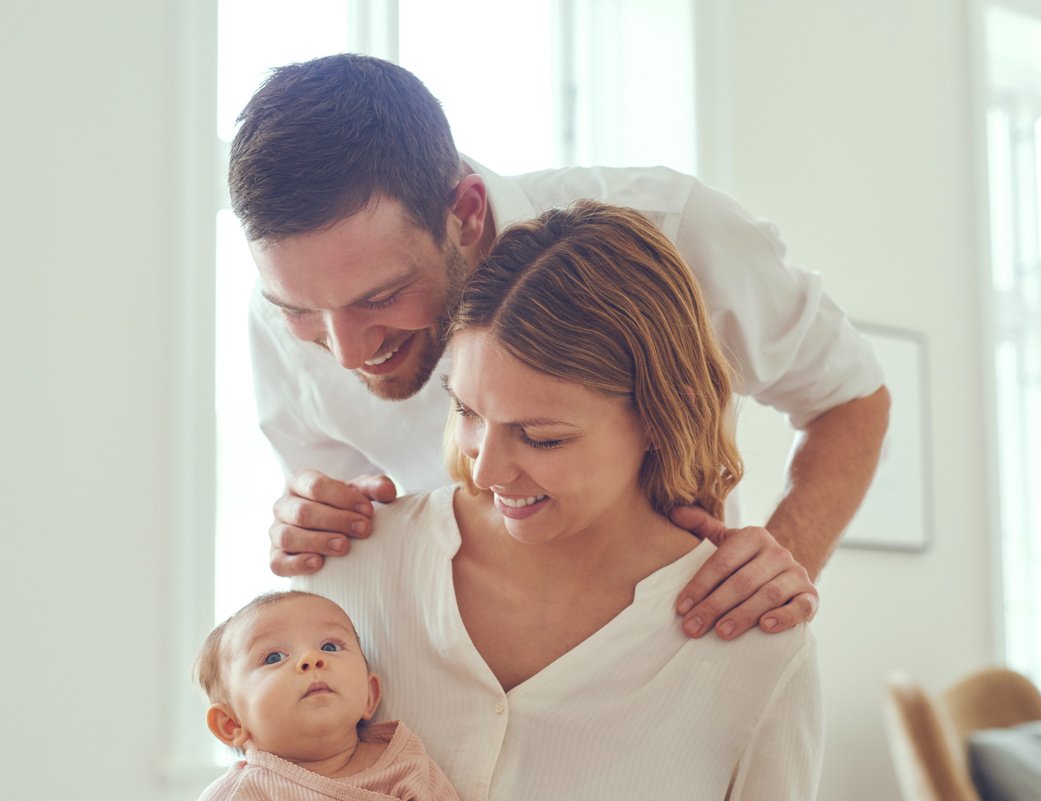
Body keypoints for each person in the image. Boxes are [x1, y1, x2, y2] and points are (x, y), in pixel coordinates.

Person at [215, 203, 823, 801]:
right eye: (468, 412)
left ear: (658, 419)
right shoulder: (346, 570)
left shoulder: (754, 645)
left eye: (541, 435)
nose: (488, 467)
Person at [233, 54, 890, 642]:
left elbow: (850, 397)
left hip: (667, 650)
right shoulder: (281, 326)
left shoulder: (677, 233)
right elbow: (348, 523)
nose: (346, 353)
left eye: (380, 296)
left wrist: (782, 559)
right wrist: (311, 515)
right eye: (299, 309)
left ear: (464, 211)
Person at [142, 590, 542, 801]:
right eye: (274, 656)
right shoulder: (236, 795)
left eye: (330, 647)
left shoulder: (405, 761)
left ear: (369, 696)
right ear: (231, 723)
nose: (311, 660)